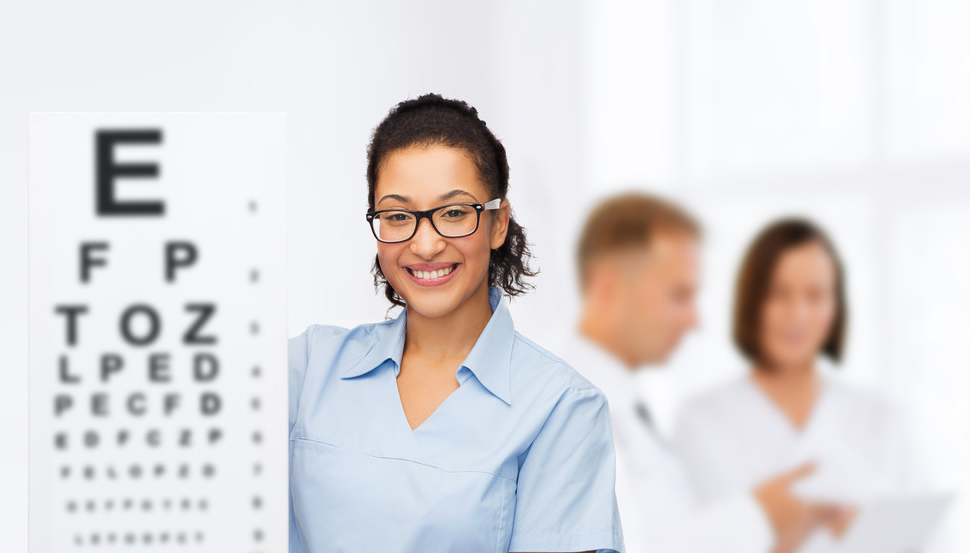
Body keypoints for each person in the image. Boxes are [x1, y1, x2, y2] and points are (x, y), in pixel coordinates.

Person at [287, 94, 624, 553]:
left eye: (454, 213)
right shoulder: (308, 369)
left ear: (498, 223)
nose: (425, 245)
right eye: (398, 215)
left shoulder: (562, 408)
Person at [555, 194, 848, 553]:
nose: (694, 321)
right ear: (607, 288)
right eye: (679, 296)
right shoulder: (564, 415)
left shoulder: (627, 410)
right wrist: (760, 515)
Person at [673, 218, 940, 551]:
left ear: (836, 306)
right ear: (751, 300)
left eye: (815, 295)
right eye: (778, 294)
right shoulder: (700, 421)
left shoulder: (885, 419)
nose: (797, 314)